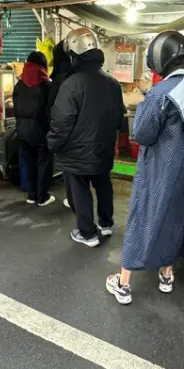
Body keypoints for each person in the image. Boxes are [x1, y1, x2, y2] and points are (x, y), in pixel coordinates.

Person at [106, 30, 184, 305]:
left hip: (158, 171)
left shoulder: (162, 93)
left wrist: (147, 103)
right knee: (176, 216)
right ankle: (166, 275)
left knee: (143, 215)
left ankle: (123, 283)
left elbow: (142, 134)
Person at [48, 28, 125, 247]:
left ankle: (87, 233)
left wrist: (52, 144)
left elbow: (61, 122)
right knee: (103, 184)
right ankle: (106, 223)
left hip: (76, 153)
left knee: (79, 189)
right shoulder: (112, 82)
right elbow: (120, 117)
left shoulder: (71, 85)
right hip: (103, 149)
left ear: (73, 54)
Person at [13, 51, 55, 206]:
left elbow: (16, 109)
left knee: (28, 161)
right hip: (42, 131)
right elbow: (51, 111)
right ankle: (42, 196)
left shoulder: (19, 85)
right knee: (44, 162)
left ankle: (31, 195)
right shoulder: (47, 85)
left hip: (22, 130)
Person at [49, 39, 73, 209]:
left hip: (65, 129)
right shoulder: (76, 76)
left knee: (70, 170)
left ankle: (73, 199)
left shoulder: (59, 79)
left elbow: (53, 108)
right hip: (79, 130)